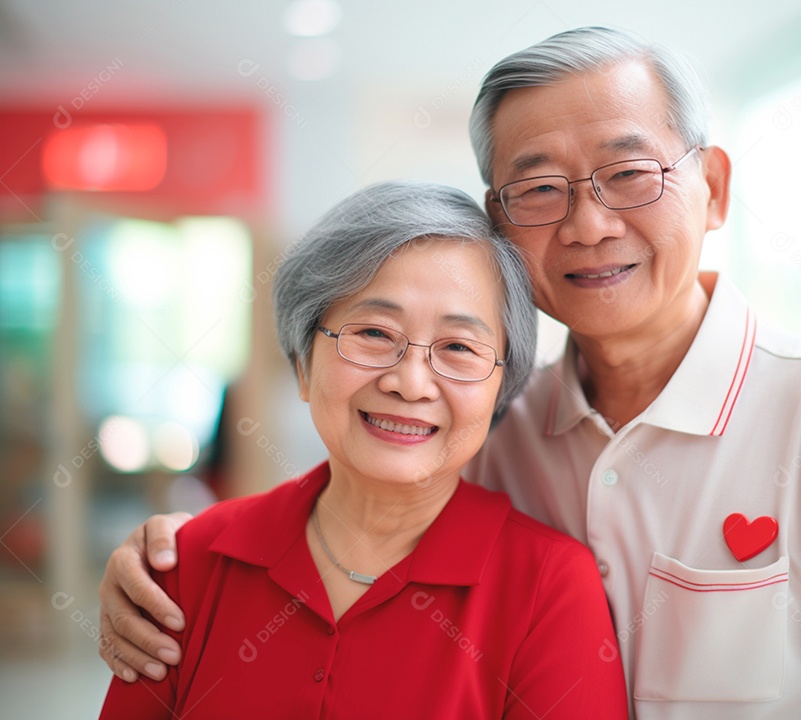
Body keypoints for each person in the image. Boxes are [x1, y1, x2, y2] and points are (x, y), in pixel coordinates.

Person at [98, 28, 801, 719]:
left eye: (629, 174)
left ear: (713, 187)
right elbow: (356, 498)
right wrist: (169, 557)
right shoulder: (495, 427)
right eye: (541, 189)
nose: (589, 224)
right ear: (501, 227)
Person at [97, 181, 629, 719]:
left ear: (500, 389)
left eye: (459, 348)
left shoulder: (548, 588)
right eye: (374, 333)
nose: (411, 382)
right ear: (304, 363)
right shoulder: (187, 563)